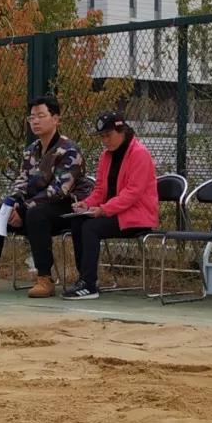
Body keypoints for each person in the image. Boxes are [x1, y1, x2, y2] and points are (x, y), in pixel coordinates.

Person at [0, 96, 92, 298]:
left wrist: (24, 208)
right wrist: (13, 204)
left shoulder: (69, 150)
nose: (35, 121)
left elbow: (58, 190)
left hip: (65, 208)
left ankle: (45, 278)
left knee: (36, 214)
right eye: (32, 117)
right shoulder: (31, 150)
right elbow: (21, 182)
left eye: (41, 116)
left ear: (55, 119)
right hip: (33, 208)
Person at [63, 111, 158, 300]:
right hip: (115, 213)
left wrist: (103, 210)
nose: (105, 141)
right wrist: (86, 204)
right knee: (78, 222)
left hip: (137, 216)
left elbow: (132, 193)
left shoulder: (140, 154)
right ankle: (85, 279)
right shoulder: (106, 156)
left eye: (108, 135)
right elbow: (100, 190)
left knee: (91, 227)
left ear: (121, 131)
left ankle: (89, 284)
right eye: (102, 136)